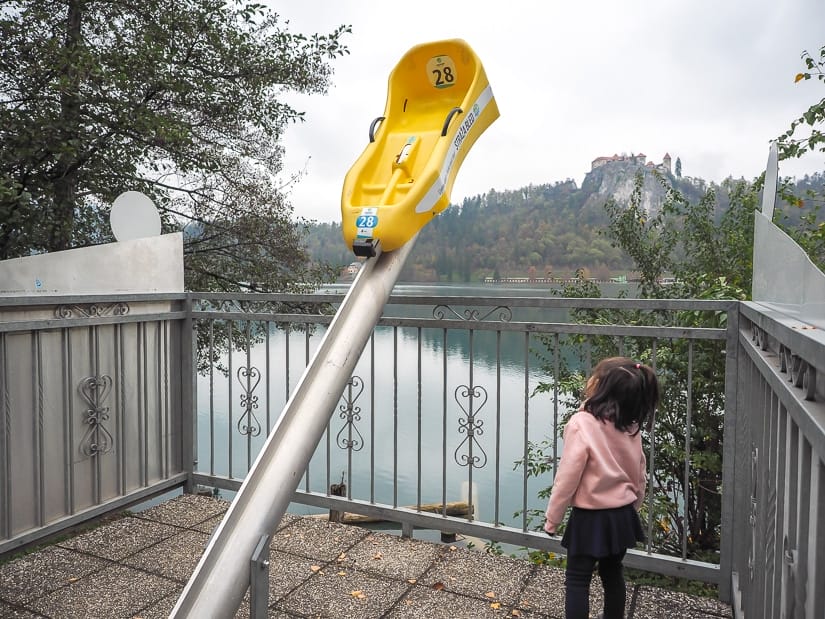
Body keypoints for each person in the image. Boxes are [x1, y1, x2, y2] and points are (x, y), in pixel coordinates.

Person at [544, 357, 659, 619]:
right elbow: (639, 472)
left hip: (590, 517)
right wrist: (634, 505)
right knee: (612, 574)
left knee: (577, 579)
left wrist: (553, 519)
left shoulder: (582, 424)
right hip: (622, 516)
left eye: (595, 376)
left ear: (602, 387)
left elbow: (567, 477)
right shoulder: (630, 426)